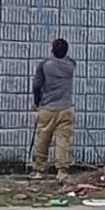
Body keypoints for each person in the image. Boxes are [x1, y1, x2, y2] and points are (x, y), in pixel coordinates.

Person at [31, 37, 76, 182]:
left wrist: (37, 102)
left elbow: (37, 85)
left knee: (43, 138)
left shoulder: (44, 65)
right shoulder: (71, 65)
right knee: (63, 141)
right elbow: (66, 57)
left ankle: (38, 170)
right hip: (66, 108)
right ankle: (62, 171)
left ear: (52, 50)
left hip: (47, 107)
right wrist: (55, 44)